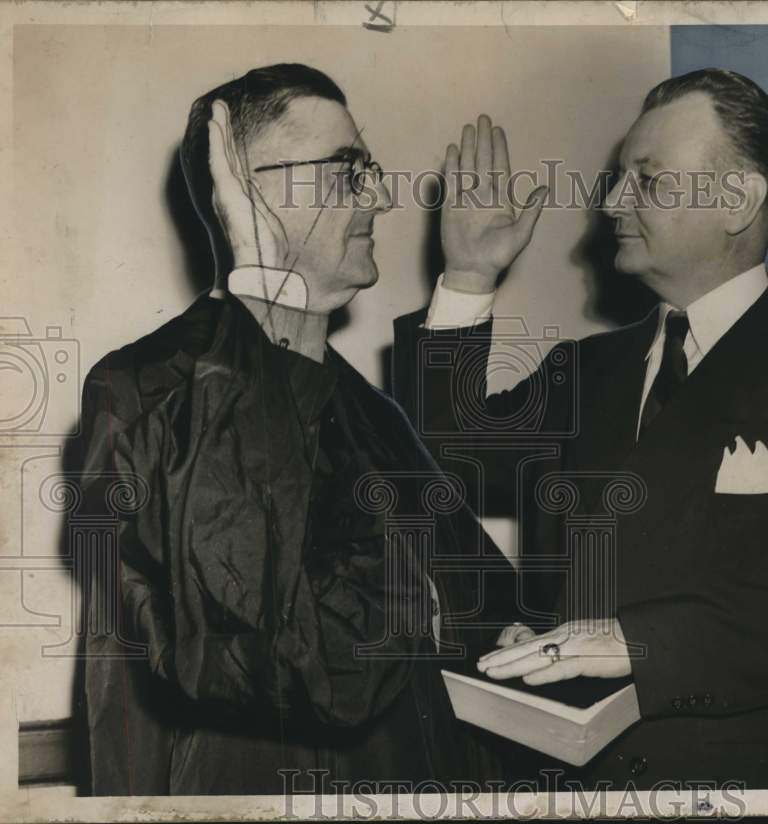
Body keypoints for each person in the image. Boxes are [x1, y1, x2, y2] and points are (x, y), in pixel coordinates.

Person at [392, 69, 768, 788]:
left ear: (736, 201)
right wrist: (468, 275)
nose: (611, 202)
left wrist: (638, 642)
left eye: (647, 179)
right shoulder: (582, 371)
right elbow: (432, 459)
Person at [68, 63, 516, 796]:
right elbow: (293, 658)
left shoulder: (371, 411)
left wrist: (467, 276)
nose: (377, 193)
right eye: (346, 171)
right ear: (246, 193)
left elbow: (483, 594)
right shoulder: (141, 394)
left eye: (367, 167)